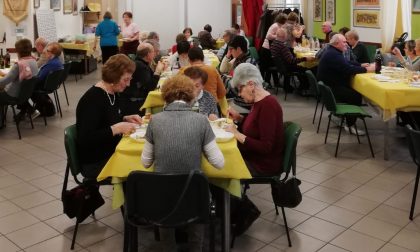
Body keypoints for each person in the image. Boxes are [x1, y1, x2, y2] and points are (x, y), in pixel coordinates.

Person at [141, 74, 224, 252]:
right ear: (190, 95)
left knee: (165, 195)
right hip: (193, 193)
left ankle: (168, 247)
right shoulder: (201, 121)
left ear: (165, 96)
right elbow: (219, 163)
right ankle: (196, 247)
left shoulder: (155, 121)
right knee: (198, 191)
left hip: (163, 196)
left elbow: (145, 162)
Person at [76, 54, 141, 179]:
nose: (128, 84)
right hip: (95, 161)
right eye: (125, 80)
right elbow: (86, 139)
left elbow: (107, 118)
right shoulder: (92, 100)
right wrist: (116, 129)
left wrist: (124, 118)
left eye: (129, 79)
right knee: (139, 170)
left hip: (110, 151)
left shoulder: (113, 92)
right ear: (114, 77)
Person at [225, 63, 284, 176]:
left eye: (240, 88)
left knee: (220, 168)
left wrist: (237, 134)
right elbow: (257, 125)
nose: (239, 94)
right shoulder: (258, 102)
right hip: (254, 157)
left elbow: (266, 147)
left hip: (262, 164)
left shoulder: (268, 105)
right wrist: (239, 118)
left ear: (251, 84)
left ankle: (232, 193)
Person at [317, 34, 375, 134]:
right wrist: (367, 69)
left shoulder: (332, 51)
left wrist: (360, 65)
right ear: (336, 43)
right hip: (331, 89)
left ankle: (347, 118)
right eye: (344, 42)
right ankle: (350, 125)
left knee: (353, 91)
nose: (346, 44)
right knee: (356, 96)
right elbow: (348, 69)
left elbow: (345, 62)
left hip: (330, 85)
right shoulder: (333, 54)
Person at [0, 39, 38, 127]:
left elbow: (5, 81)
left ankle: (1, 123)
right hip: (24, 94)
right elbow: (17, 76)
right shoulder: (33, 61)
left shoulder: (19, 65)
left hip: (12, 95)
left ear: (18, 51)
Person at [120, 43, 165, 116]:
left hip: (130, 100)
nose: (155, 54)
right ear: (148, 54)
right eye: (153, 52)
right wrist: (157, 71)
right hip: (135, 104)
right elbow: (150, 87)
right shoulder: (141, 67)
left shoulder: (138, 63)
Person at [271, 28, 314, 94]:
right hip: (286, 67)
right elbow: (291, 60)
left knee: (300, 67)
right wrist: (305, 58)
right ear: (284, 36)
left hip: (280, 67)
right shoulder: (282, 46)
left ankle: (299, 86)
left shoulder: (274, 43)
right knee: (305, 68)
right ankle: (304, 88)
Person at [259, 13, 287, 83]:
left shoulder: (278, 25)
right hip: (266, 48)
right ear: (282, 20)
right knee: (265, 67)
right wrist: (278, 36)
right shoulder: (275, 26)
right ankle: (263, 82)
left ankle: (272, 82)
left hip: (269, 48)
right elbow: (268, 36)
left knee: (271, 65)